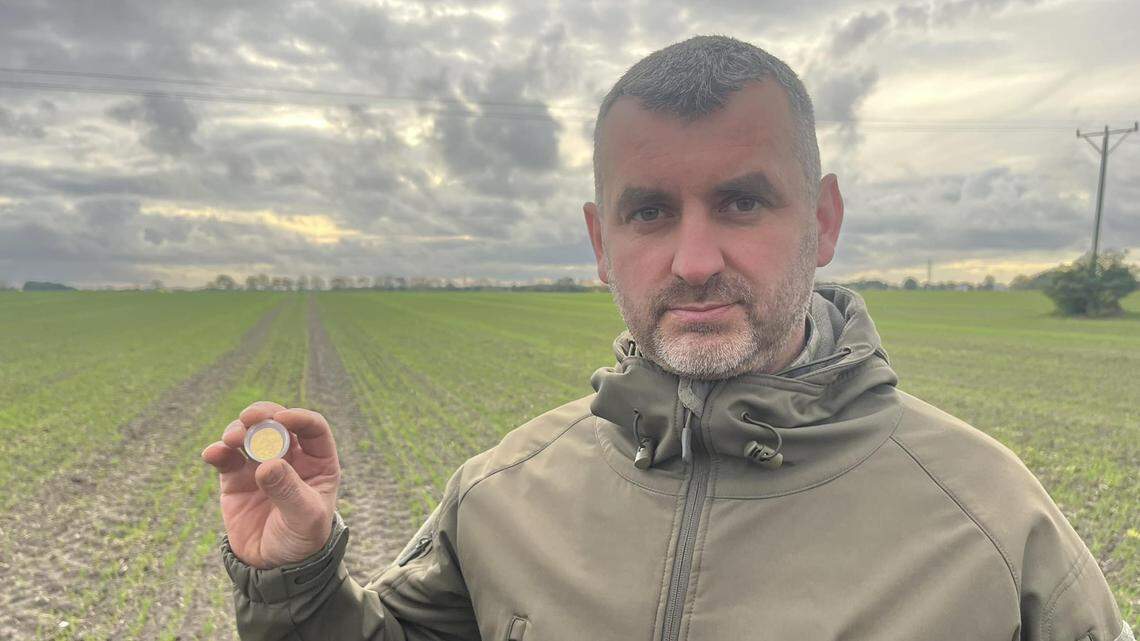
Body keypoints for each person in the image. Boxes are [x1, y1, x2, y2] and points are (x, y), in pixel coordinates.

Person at [201, 35, 1134, 641]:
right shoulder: (501, 496)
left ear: (824, 218)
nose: (692, 259)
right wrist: (298, 585)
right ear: (603, 244)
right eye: (649, 212)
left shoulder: (991, 526)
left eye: (740, 200)